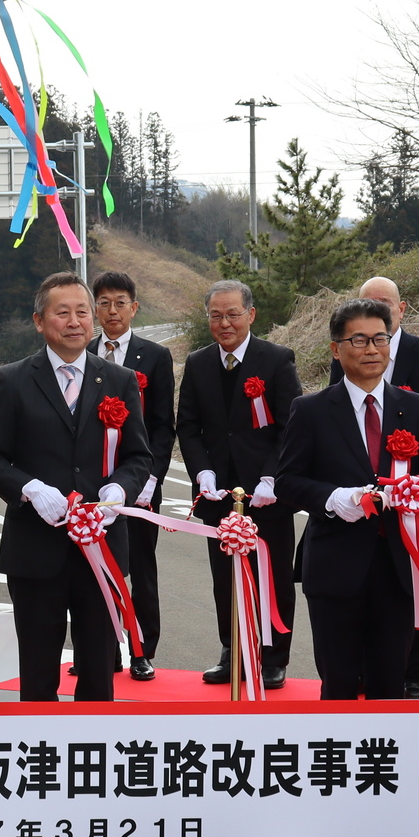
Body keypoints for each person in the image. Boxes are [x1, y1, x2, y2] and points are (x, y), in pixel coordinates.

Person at [0, 273, 151, 702]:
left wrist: (118, 492)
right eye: (62, 312)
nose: (75, 321)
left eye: (82, 312)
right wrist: (30, 488)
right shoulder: (13, 380)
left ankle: (95, 760)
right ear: (39, 321)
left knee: (99, 672)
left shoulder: (120, 380)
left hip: (102, 548)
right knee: (37, 674)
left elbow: (139, 457)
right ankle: (41, 760)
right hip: (36, 550)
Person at [275, 298, 419, 701]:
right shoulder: (312, 410)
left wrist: (415, 491)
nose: (371, 349)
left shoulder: (417, 408)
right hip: (335, 568)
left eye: (379, 339)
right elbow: (288, 481)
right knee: (337, 685)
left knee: (389, 686)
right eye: (359, 340)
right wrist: (337, 498)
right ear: (337, 349)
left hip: (398, 567)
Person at [345, 275, 419, 698]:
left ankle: (413, 670)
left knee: (415, 583)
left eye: (383, 304)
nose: (375, 312)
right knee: (363, 583)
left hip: (416, 500)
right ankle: (363, 667)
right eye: (366, 304)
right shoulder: (347, 353)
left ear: (401, 309)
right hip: (363, 497)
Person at [176, 280, 301, 690]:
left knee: (273, 571)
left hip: (267, 495)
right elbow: (188, 427)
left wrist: (271, 476)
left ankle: (273, 655)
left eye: (232, 314)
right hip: (219, 494)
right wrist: (202, 472)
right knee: (224, 574)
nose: (224, 323)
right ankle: (232, 649)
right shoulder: (197, 363)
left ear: (250, 315)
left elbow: (291, 427)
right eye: (215, 315)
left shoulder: (277, 360)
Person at [71, 270, 174, 683]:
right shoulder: (80, 351)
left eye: (120, 303)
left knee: (139, 568)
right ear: (95, 309)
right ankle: (97, 651)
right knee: (90, 569)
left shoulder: (154, 356)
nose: (112, 311)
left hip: (138, 482)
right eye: (104, 303)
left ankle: (141, 650)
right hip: (92, 486)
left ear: (134, 308)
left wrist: (150, 477)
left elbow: (164, 425)